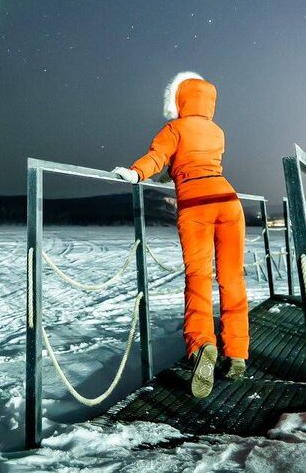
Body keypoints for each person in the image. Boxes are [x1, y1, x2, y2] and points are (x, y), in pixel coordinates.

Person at [110, 71, 249, 399]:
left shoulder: (174, 128)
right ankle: (238, 354)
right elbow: (196, 163)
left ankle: (202, 344)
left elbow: (160, 156)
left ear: (179, 100)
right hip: (229, 201)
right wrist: (173, 174)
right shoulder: (217, 131)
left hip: (197, 205)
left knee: (199, 276)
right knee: (232, 278)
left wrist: (136, 172)